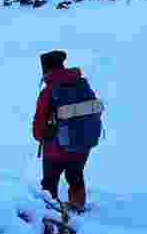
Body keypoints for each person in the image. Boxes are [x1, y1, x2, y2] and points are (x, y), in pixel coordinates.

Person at [32, 50, 103, 213]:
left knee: (49, 183)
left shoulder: (48, 92)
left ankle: (50, 214)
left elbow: (39, 125)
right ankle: (78, 208)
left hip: (56, 148)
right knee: (76, 176)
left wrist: (40, 136)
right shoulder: (82, 84)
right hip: (83, 143)